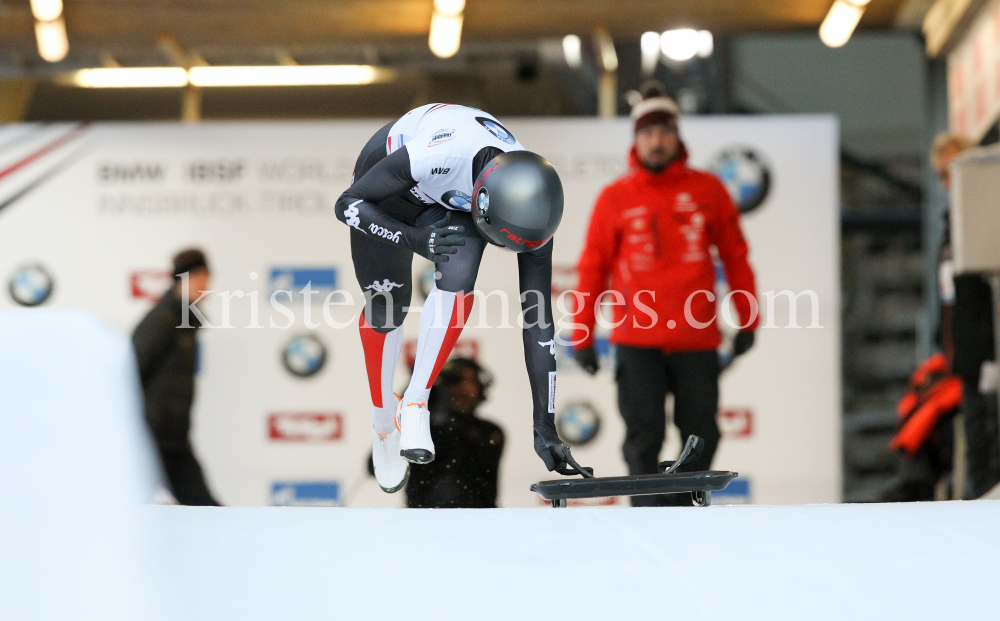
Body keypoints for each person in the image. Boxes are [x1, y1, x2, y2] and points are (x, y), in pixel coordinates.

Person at [334, 103, 579, 494]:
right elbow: (346, 205)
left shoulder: (530, 207)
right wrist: (414, 239)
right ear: (481, 202)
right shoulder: (440, 154)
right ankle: (384, 422)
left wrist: (545, 426)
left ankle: (415, 402)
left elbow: (538, 323)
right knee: (387, 307)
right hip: (389, 189)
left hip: (450, 199)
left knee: (461, 264)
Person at [571, 85, 759, 506]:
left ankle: (683, 507)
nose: (656, 141)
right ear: (636, 140)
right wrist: (581, 335)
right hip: (637, 344)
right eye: (648, 133)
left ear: (677, 136)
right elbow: (593, 269)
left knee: (701, 435)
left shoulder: (709, 189)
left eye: (664, 132)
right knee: (643, 438)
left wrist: (748, 317)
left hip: (697, 340)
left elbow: (735, 256)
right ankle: (649, 516)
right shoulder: (615, 198)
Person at [931, 132, 998, 498]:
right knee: (975, 436)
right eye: (942, 175)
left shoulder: (986, 224)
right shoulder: (950, 226)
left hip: (988, 345)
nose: (947, 183)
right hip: (965, 352)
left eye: (953, 172)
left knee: (988, 430)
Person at [132, 248, 221, 506]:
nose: (207, 290)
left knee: (206, 510)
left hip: (175, 439)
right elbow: (131, 372)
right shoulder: (162, 320)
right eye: (202, 282)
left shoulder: (186, 321)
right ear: (186, 279)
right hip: (151, 439)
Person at [405, 358, 504, 508]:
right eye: (451, 382)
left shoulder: (490, 431)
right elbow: (375, 466)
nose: (459, 389)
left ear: (480, 386)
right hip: (423, 522)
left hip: (481, 521)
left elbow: (465, 453)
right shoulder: (420, 430)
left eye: (464, 381)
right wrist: (408, 407)